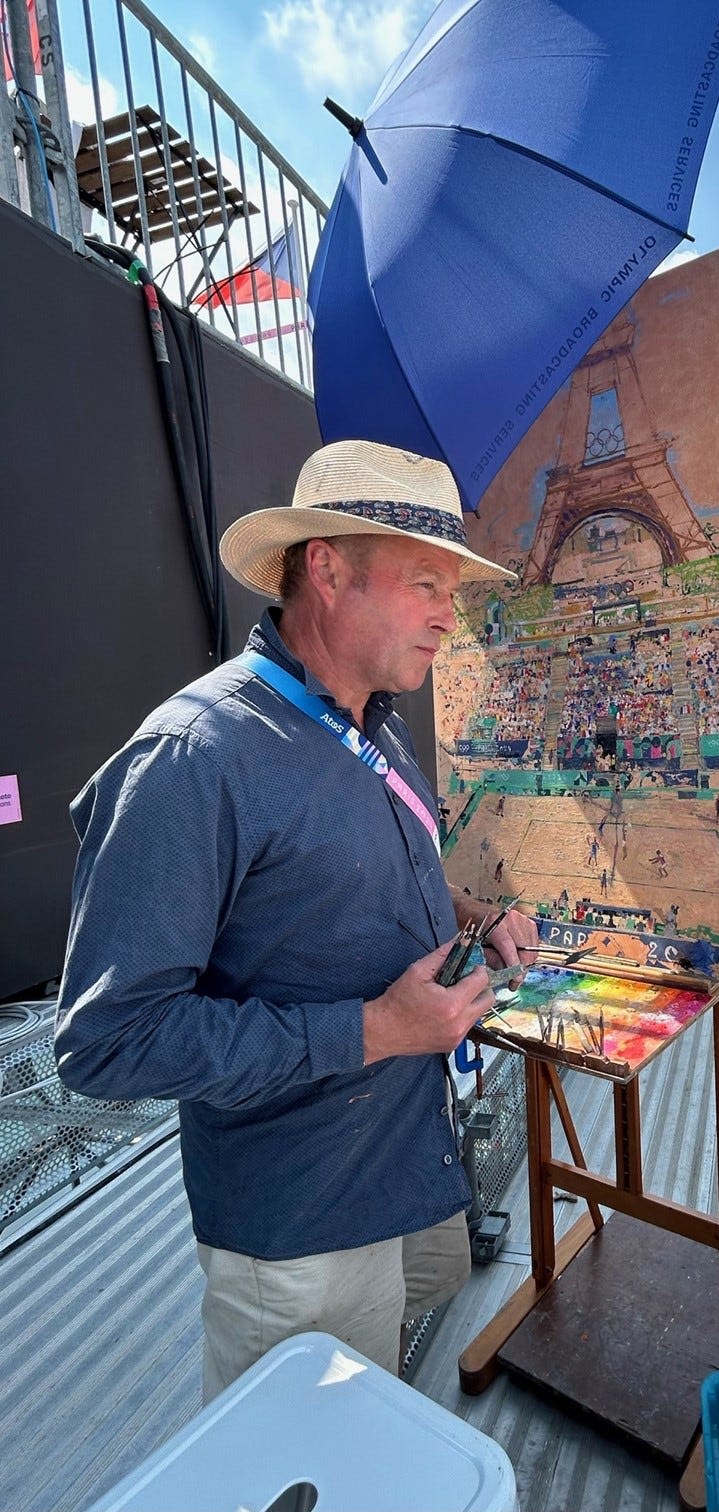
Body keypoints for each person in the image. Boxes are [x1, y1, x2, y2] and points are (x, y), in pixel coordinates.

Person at [54, 440, 538, 1403]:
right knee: (300, 1464)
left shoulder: (379, 722)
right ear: (326, 568)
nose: (451, 614)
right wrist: (378, 1029)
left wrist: (474, 912)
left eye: (455, 587)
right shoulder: (194, 758)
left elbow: (370, 880)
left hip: (407, 1158)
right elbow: (106, 1043)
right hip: (301, 1218)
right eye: (425, 582)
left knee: (386, 1406)